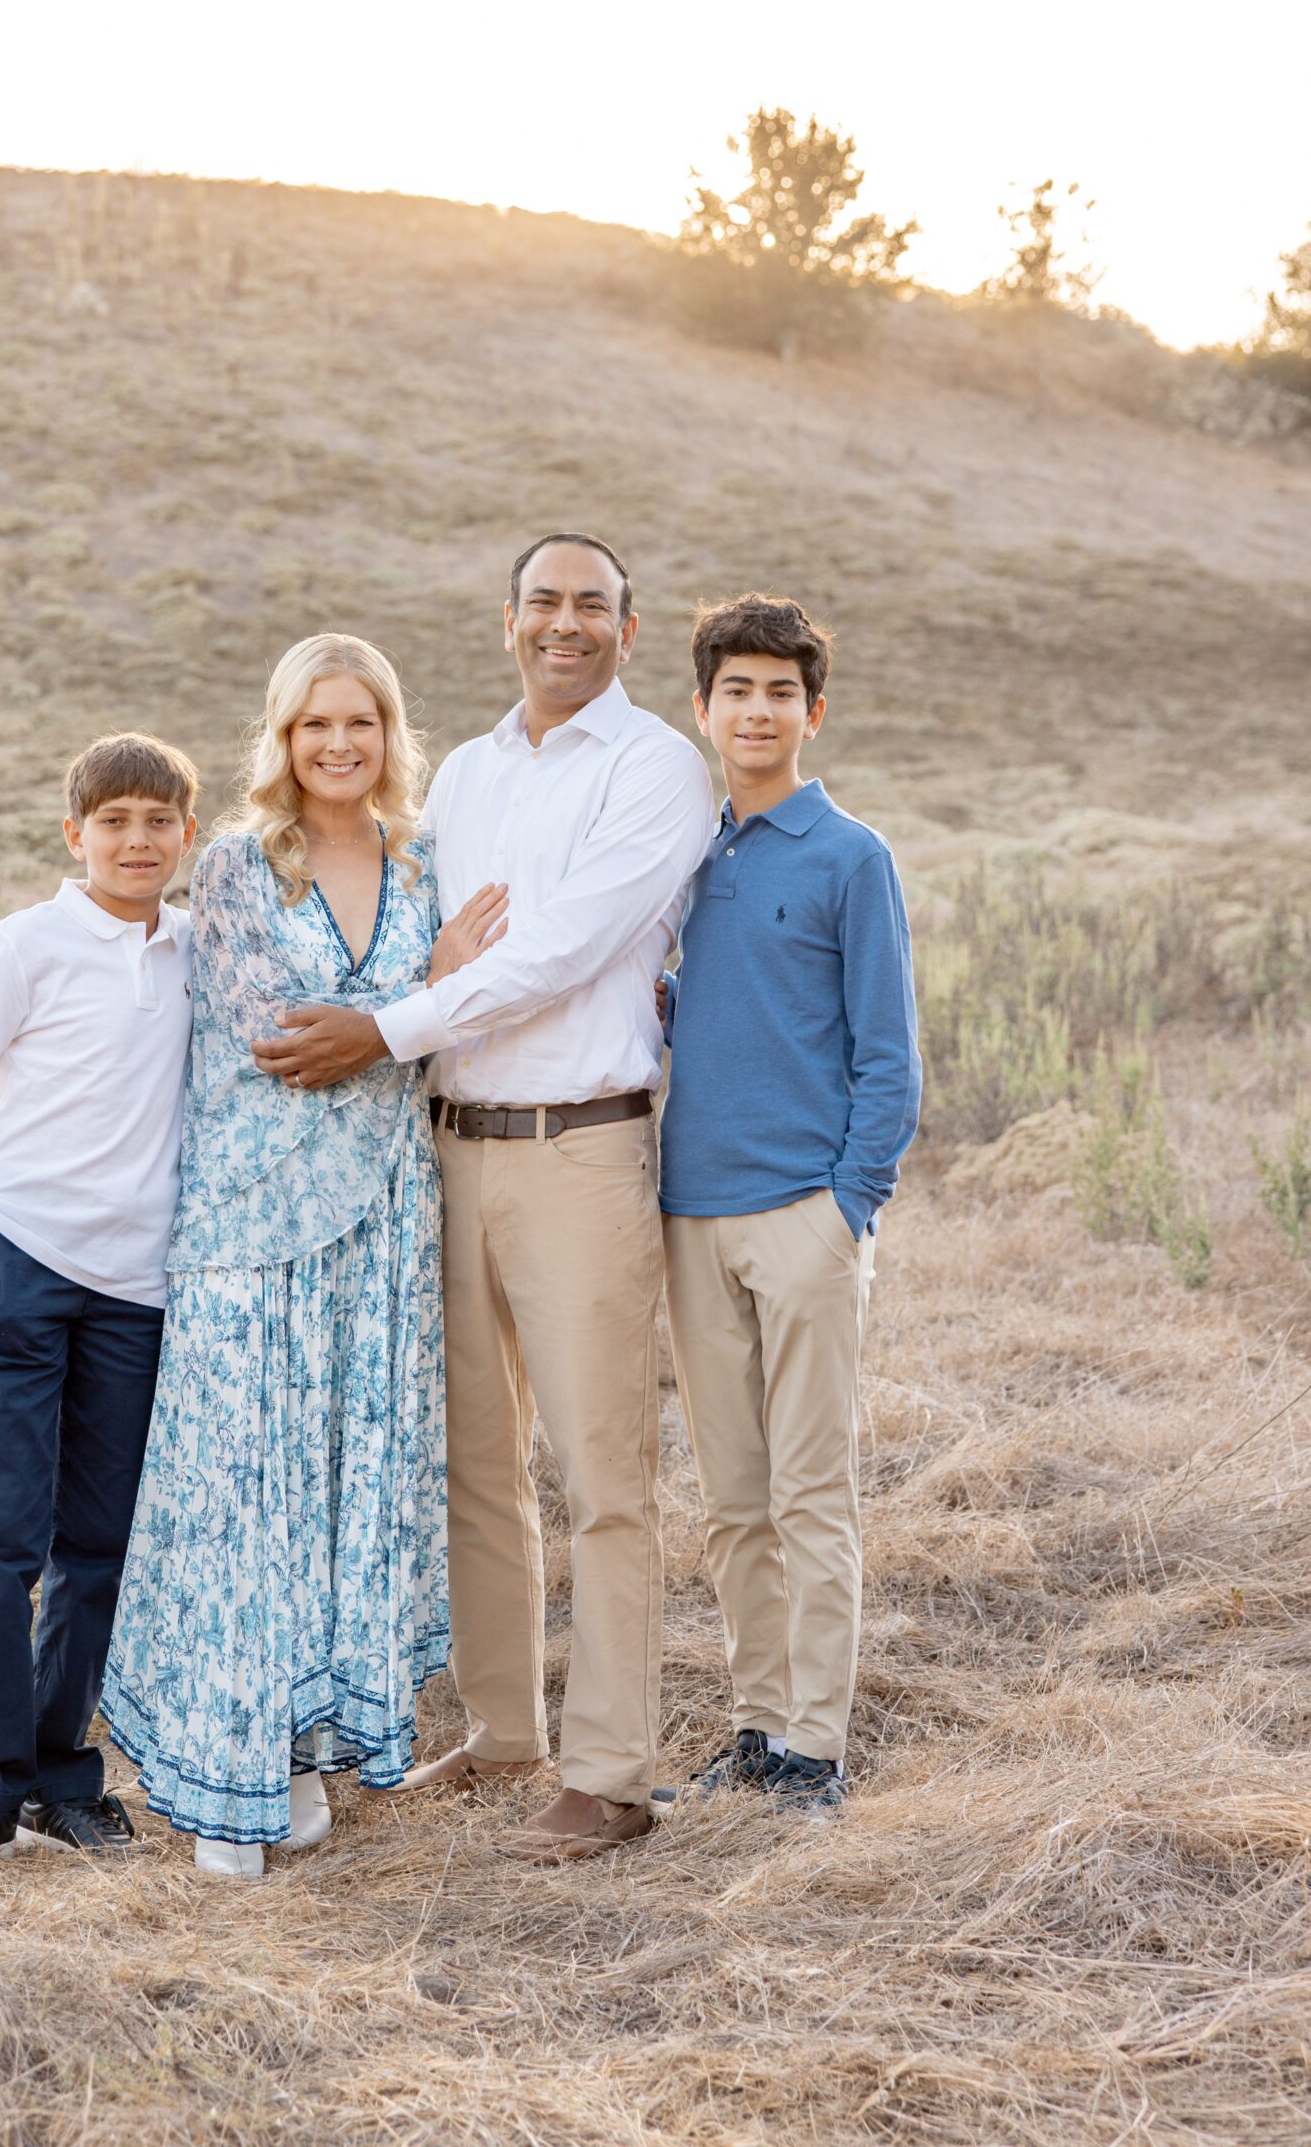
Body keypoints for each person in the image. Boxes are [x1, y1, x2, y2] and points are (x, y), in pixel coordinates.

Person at [254, 537, 713, 1864]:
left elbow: (563, 952)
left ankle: (613, 1770)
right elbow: (435, 934)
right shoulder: (465, 772)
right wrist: (409, 993)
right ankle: (507, 1735)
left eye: (592, 607)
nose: (565, 625)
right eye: (544, 604)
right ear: (508, 622)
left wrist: (385, 1025)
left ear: (629, 631)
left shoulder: (653, 769)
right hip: (449, 1148)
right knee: (475, 1462)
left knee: (603, 1470)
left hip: (580, 1152)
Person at [100, 634, 506, 1879]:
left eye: (361, 724)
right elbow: (281, 1040)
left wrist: (411, 1008)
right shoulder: (230, 866)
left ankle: (300, 1752)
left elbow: (448, 1027)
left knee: (344, 1491)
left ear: (392, 737)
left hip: (383, 1226)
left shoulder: (427, 862)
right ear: (280, 739)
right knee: (242, 1498)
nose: (338, 745)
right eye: (313, 725)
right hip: (246, 1232)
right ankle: (225, 1774)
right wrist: (420, 997)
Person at [0, 732, 199, 1877]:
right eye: (113, 821)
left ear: (184, 834)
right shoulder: (28, 944)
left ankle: (61, 1777)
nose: (136, 840)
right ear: (75, 834)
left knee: (97, 1544)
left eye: (158, 821)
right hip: (22, 1264)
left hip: (141, 1289)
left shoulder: (192, 950)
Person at [658, 594, 921, 1814]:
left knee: (813, 1492)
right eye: (735, 690)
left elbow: (890, 1056)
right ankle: (757, 1725)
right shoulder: (686, 853)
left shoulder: (849, 855)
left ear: (812, 713)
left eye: (779, 692)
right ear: (702, 709)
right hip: (689, 1212)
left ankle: (815, 1746)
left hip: (803, 1217)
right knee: (731, 1500)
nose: (755, 710)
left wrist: (846, 1205)